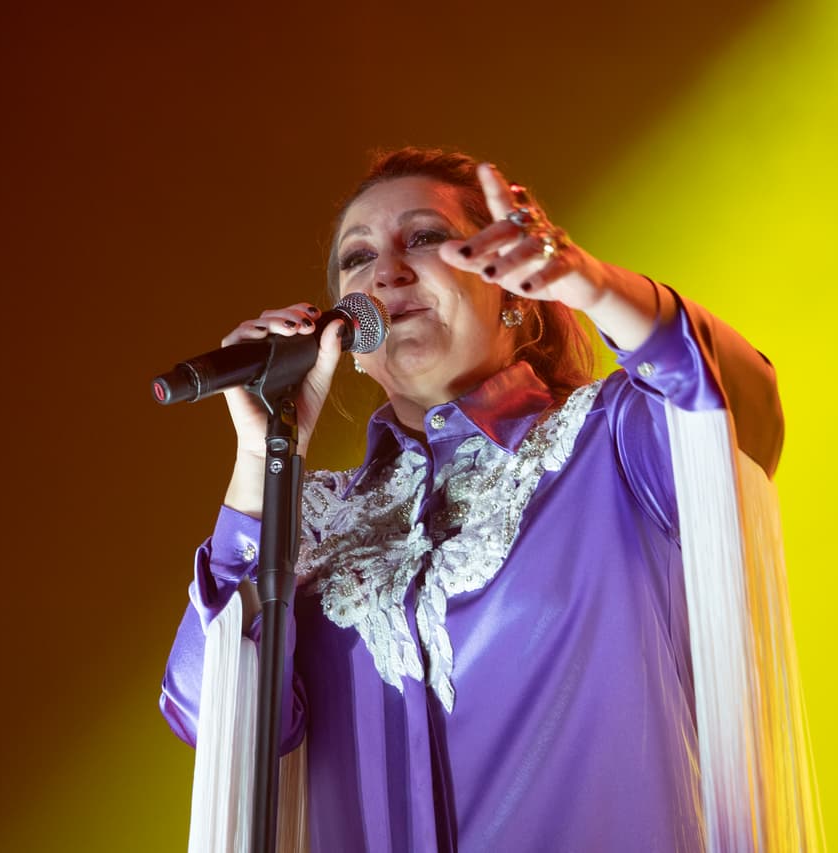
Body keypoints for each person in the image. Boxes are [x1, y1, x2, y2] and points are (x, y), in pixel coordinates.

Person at [160, 147, 785, 852]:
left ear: (513, 289)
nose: (385, 271)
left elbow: (743, 410)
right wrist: (259, 456)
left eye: (424, 238)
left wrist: (595, 284)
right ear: (349, 339)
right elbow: (216, 721)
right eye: (356, 258)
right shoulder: (309, 525)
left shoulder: (611, 443)